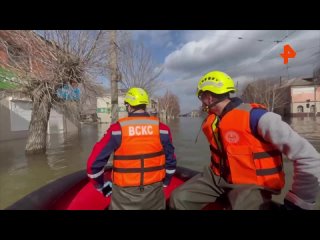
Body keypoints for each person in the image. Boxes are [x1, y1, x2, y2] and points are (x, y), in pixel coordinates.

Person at [170, 70, 320, 210]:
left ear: (209, 98)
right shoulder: (213, 120)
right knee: (178, 198)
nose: (201, 103)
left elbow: (309, 157)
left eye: (201, 97)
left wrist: (298, 203)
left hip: (251, 184)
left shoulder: (258, 117)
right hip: (217, 177)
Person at [87, 87, 177, 210]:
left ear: (128, 106)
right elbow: (171, 164)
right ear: (145, 105)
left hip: (123, 196)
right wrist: (165, 183)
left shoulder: (117, 130)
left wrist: (101, 186)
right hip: (154, 194)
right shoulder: (163, 129)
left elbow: (93, 166)